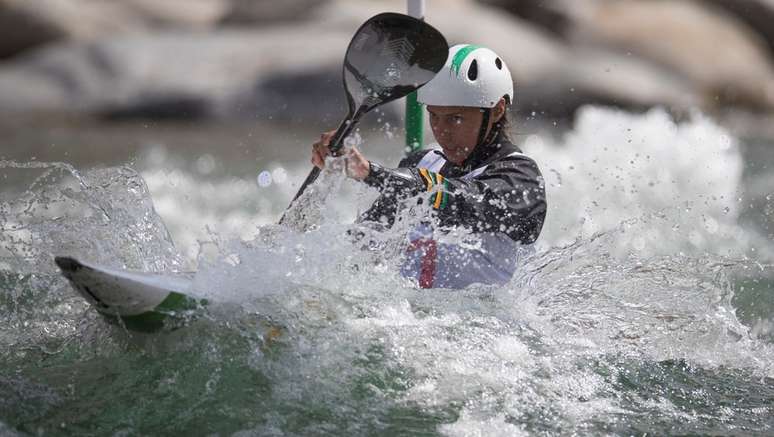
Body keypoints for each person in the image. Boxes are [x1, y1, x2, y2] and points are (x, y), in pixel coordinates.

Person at [311, 44, 546, 289]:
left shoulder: (522, 180)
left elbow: (459, 199)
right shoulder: (422, 163)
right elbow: (365, 240)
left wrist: (370, 172)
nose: (442, 132)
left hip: (485, 324)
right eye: (434, 116)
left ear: (496, 110)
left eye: (456, 118)